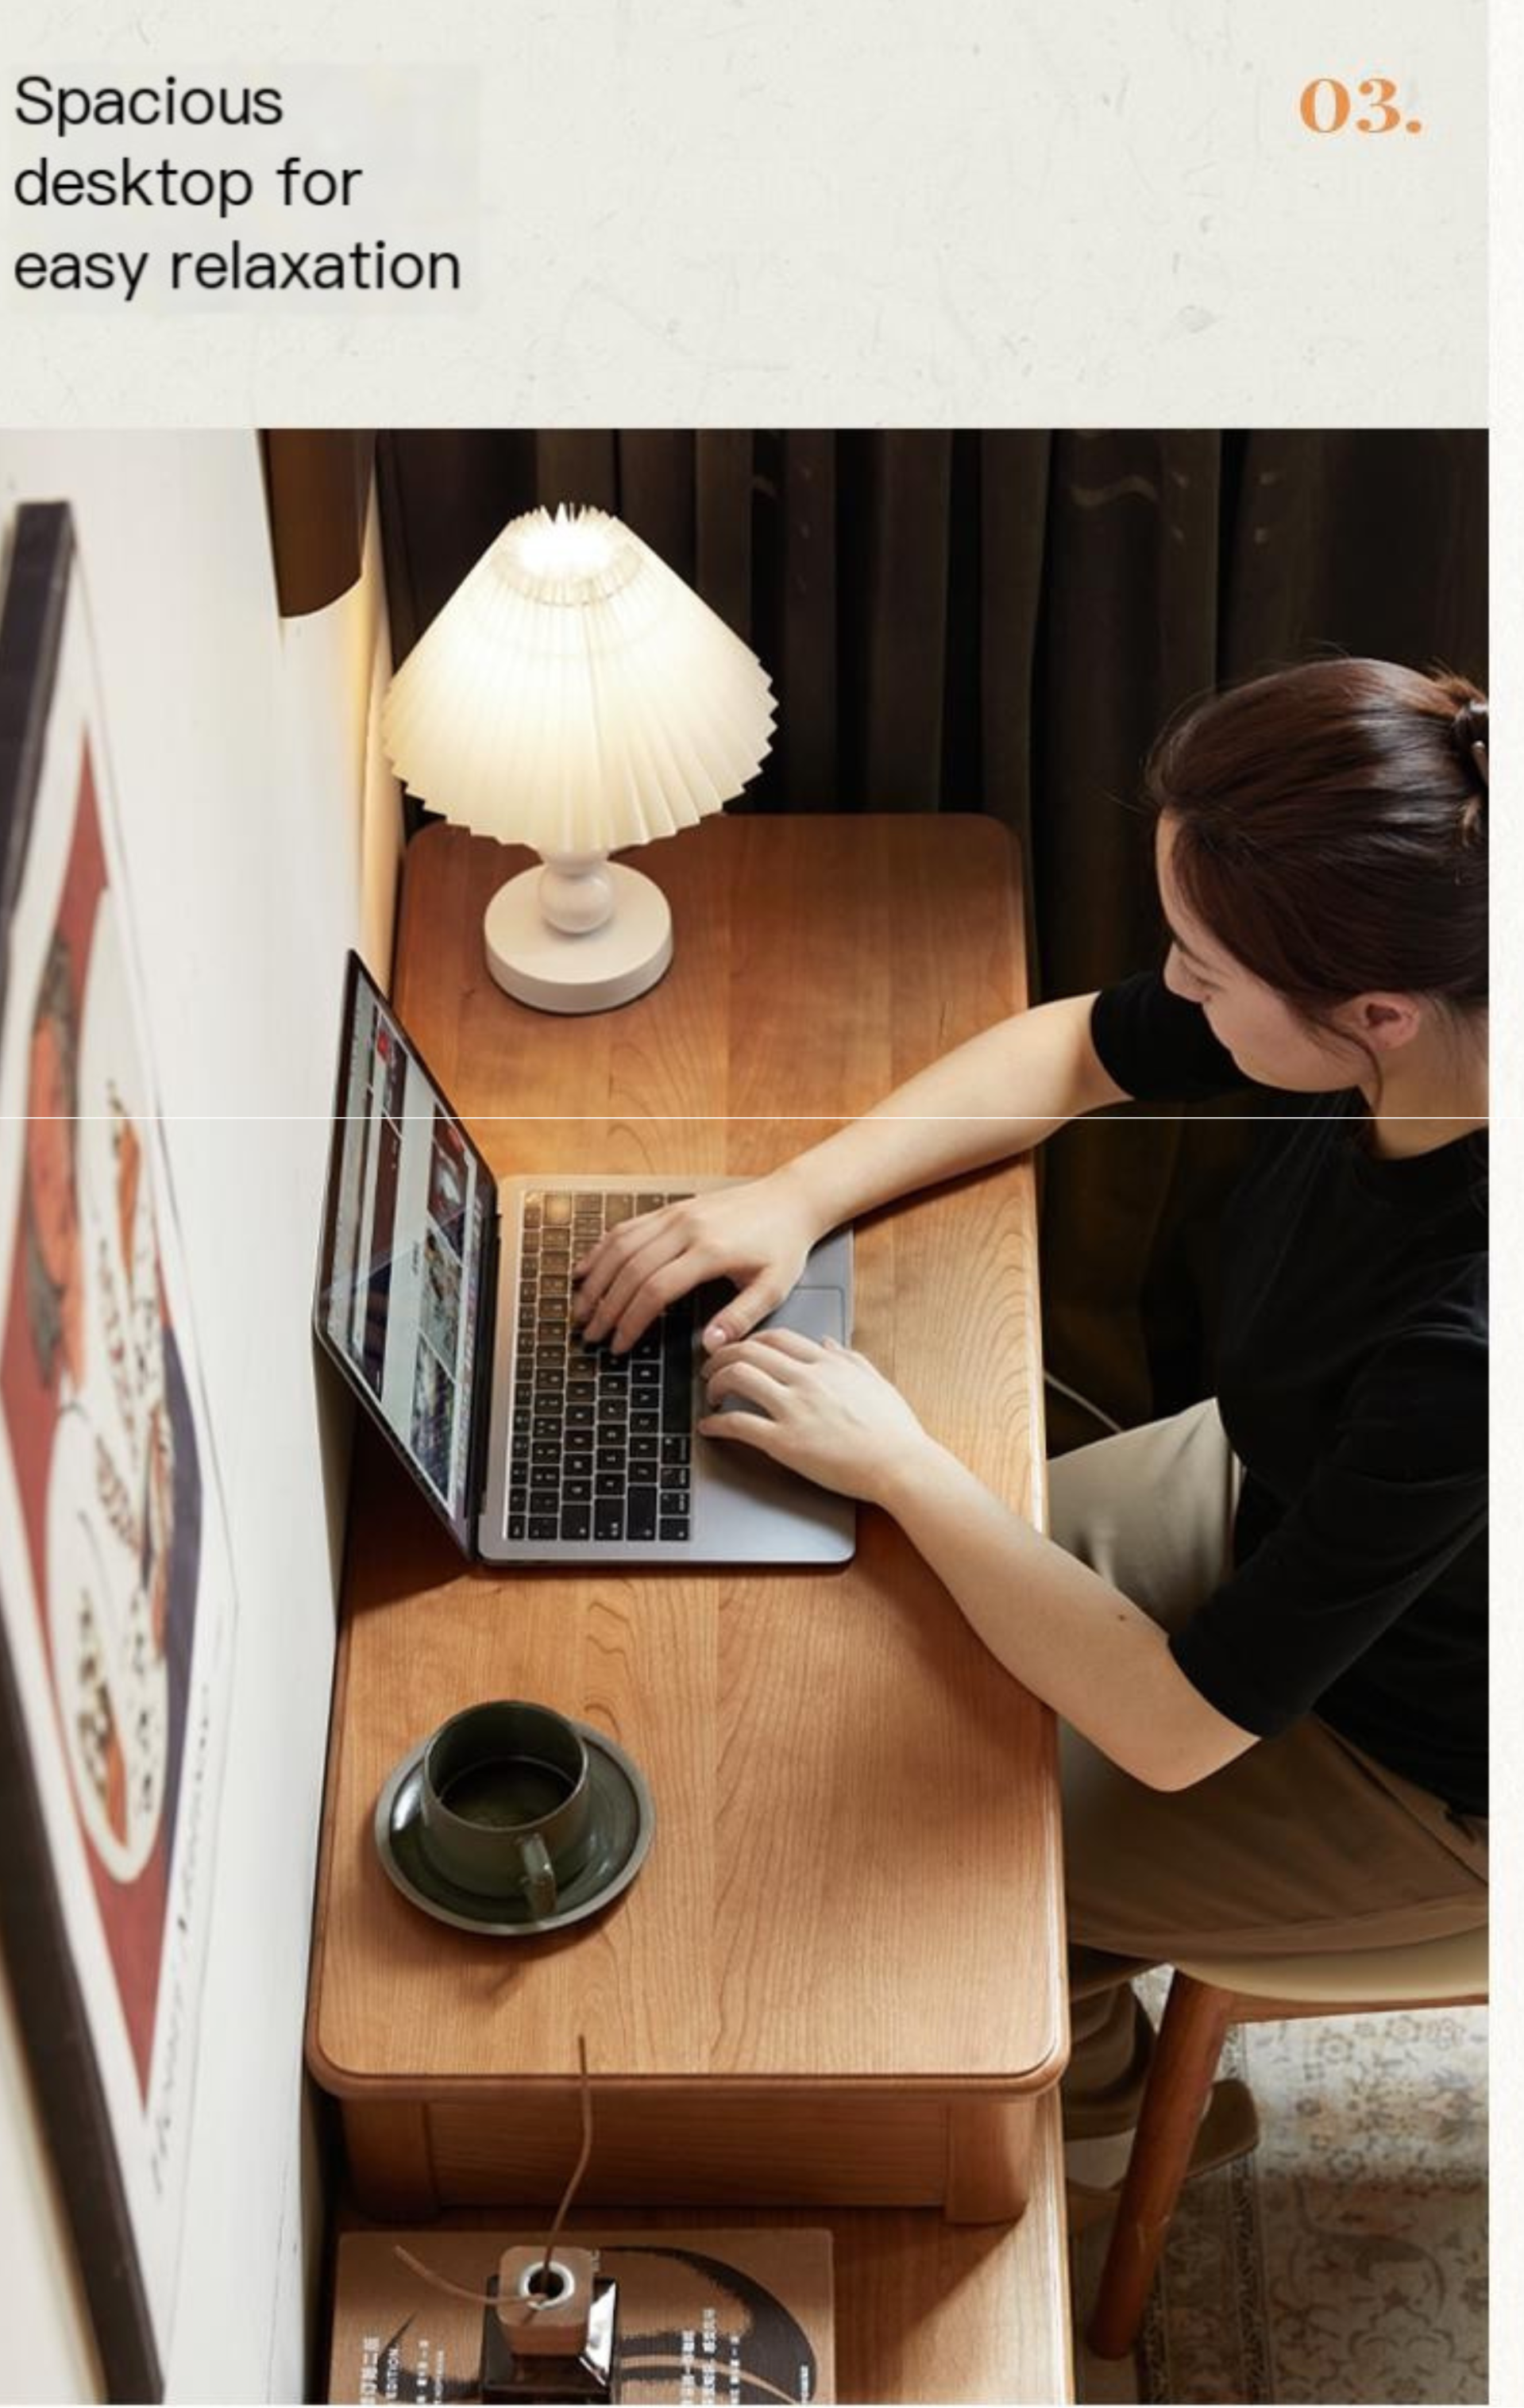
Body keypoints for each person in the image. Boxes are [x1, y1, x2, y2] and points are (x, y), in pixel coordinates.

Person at [570, 657, 1488, 2207]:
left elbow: (1179, 1723)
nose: (1170, 985)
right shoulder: (1406, 1001)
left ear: (1374, 1016)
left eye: (1199, 967)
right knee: (859, 1633)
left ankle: (1116, 2104)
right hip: (1283, 1498)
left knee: (931, 1884)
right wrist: (788, 1198)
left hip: (1424, 1756)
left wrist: (902, 1456)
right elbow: (1074, 1046)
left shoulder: (1467, 1333)